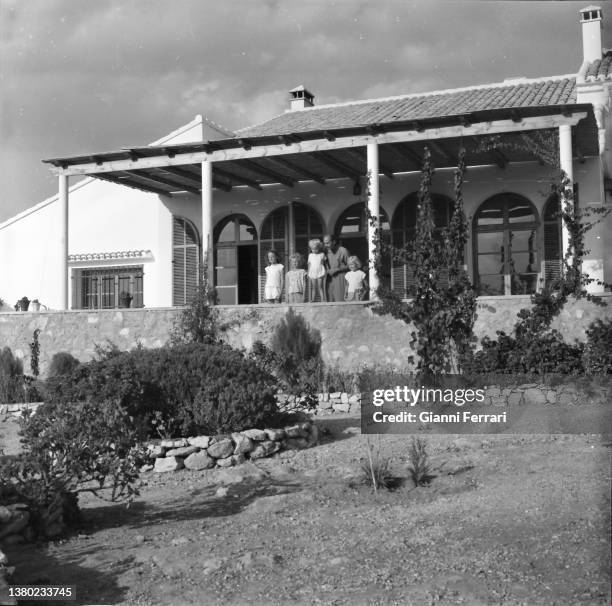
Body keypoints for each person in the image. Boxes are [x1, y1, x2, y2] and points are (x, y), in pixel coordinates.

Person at [323, 234, 349, 302]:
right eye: (325, 243)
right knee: (330, 302)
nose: (326, 245)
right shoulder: (325, 252)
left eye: (328, 243)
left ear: (334, 242)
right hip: (329, 280)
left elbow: (351, 266)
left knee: (340, 301)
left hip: (340, 278)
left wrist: (337, 269)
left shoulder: (343, 250)